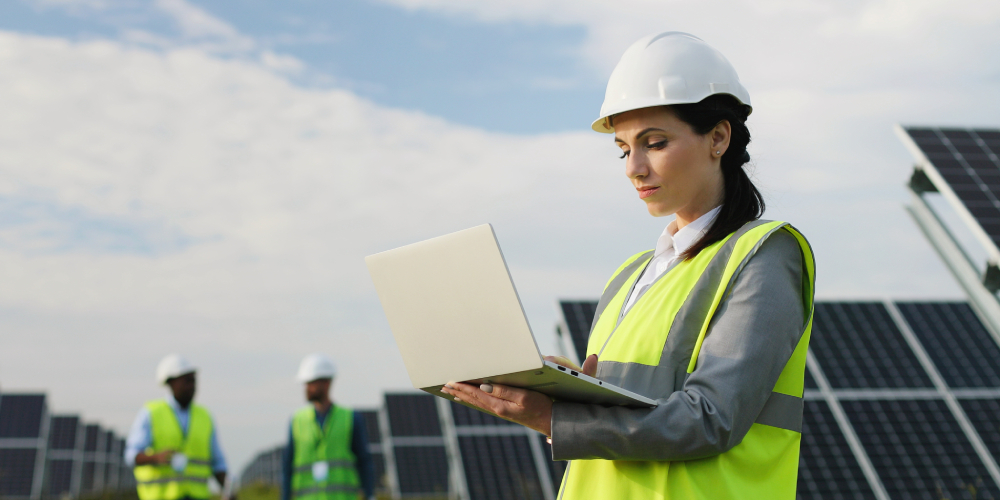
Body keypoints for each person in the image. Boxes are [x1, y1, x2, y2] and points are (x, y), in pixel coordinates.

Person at [441, 32, 815, 499]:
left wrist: (550, 418)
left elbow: (711, 418)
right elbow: (625, 409)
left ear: (719, 137)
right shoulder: (631, 276)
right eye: (623, 149)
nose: (632, 167)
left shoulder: (764, 255)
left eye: (654, 143)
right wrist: (561, 387)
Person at [125, 355, 233, 500]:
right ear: (170, 382)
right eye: (187, 381)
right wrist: (155, 457)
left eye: (194, 381)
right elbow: (132, 455)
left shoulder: (205, 417)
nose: (192, 386)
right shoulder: (151, 413)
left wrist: (228, 490)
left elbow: (218, 462)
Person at [282, 354, 376, 500]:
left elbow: (364, 461)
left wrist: (370, 495)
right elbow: (287, 467)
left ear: (326, 383)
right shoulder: (296, 421)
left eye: (311, 383)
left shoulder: (350, 418)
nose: (306, 388)